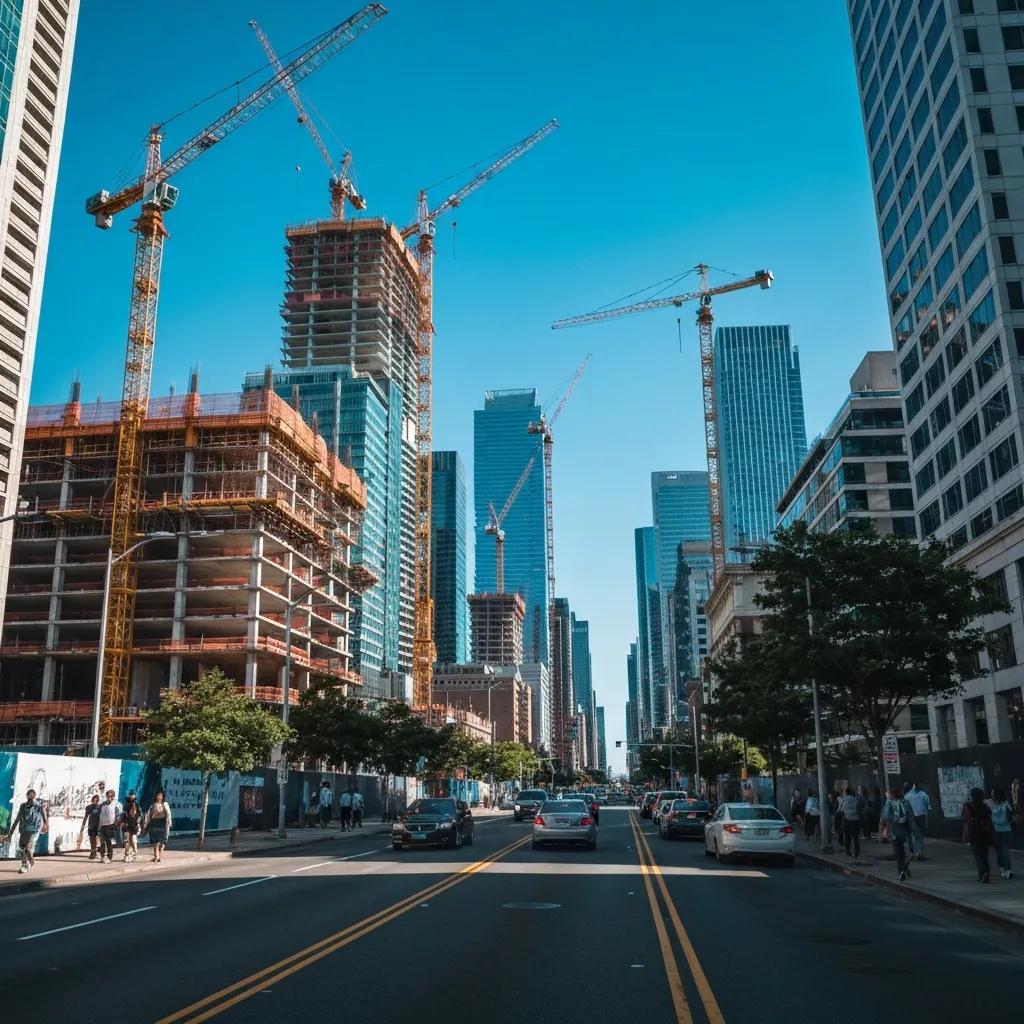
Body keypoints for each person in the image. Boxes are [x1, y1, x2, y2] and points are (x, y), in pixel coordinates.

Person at [4, 787, 48, 874]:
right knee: (22, 847)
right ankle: (29, 861)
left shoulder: (38, 807)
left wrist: (45, 825)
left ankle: (25, 865)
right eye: (29, 796)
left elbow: (44, 816)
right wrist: (10, 833)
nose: (31, 798)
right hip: (24, 830)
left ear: (34, 797)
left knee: (28, 847)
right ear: (27, 796)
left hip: (34, 831)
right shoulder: (23, 806)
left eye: (32, 796)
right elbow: (17, 819)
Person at [880, 785, 914, 881]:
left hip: (895, 830)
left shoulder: (889, 803)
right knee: (908, 852)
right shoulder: (906, 802)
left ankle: (901, 871)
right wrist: (913, 829)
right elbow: (911, 817)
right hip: (906, 830)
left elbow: (886, 816)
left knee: (898, 853)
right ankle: (905, 867)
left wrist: (885, 829)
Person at [963, 787, 994, 883]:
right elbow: (989, 819)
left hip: (973, 833)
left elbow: (966, 821)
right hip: (985, 833)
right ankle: (987, 873)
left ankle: (982, 873)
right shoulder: (985, 807)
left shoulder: (968, 806)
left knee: (977, 854)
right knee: (985, 855)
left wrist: (965, 834)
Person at [989, 787, 1014, 880]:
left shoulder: (1005, 803)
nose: (991, 795)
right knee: (999, 851)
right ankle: (1003, 869)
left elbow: (1012, 812)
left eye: (993, 794)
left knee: (1004, 850)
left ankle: (1007, 870)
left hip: (1004, 830)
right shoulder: (989, 802)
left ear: (997, 795)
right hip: (996, 830)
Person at [143, 790, 172, 863]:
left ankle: (159, 856)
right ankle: (156, 856)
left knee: (161, 842)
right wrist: (146, 824)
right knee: (155, 842)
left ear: (163, 797)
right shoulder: (153, 805)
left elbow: (168, 815)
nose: (159, 797)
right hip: (154, 823)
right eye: (158, 795)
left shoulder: (165, 805)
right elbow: (148, 815)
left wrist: (168, 823)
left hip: (162, 824)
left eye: (160, 795)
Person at [906, 781, 932, 860]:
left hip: (916, 817)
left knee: (916, 835)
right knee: (918, 835)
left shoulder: (908, 795)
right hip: (918, 816)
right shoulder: (923, 795)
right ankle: (918, 852)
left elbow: (927, 807)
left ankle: (917, 852)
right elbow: (927, 807)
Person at [97, 789, 122, 864]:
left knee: (108, 841)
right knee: (102, 841)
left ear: (113, 797)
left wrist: (115, 825)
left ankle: (109, 856)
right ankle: (102, 855)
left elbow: (118, 816)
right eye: (107, 796)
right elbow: (99, 814)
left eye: (110, 796)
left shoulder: (115, 805)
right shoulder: (102, 805)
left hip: (110, 825)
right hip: (102, 825)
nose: (109, 798)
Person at [120, 792, 142, 863]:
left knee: (133, 840)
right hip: (127, 825)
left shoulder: (137, 805)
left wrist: (138, 823)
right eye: (131, 796)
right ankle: (126, 855)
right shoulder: (126, 805)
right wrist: (123, 823)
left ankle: (134, 853)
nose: (132, 798)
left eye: (133, 797)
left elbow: (139, 815)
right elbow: (124, 814)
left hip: (134, 825)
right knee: (127, 841)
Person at [841, 787, 862, 858]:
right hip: (856, 820)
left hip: (847, 820)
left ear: (846, 793)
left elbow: (841, 810)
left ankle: (848, 851)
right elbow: (859, 810)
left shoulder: (843, 800)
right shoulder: (856, 800)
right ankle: (857, 853)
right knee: (856, 837)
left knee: (847, 837)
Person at [79, 794, 102, 860]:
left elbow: (102, 817)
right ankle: (93, 852)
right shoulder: (89, 807)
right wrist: (82, 827)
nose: (95, 802)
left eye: (96, 800)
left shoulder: (100, 807)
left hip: (98, 825)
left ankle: (98, 850)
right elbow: (86, 817)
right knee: (92, 839)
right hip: (91, 825)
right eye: (94, 800)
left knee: (97, 839)